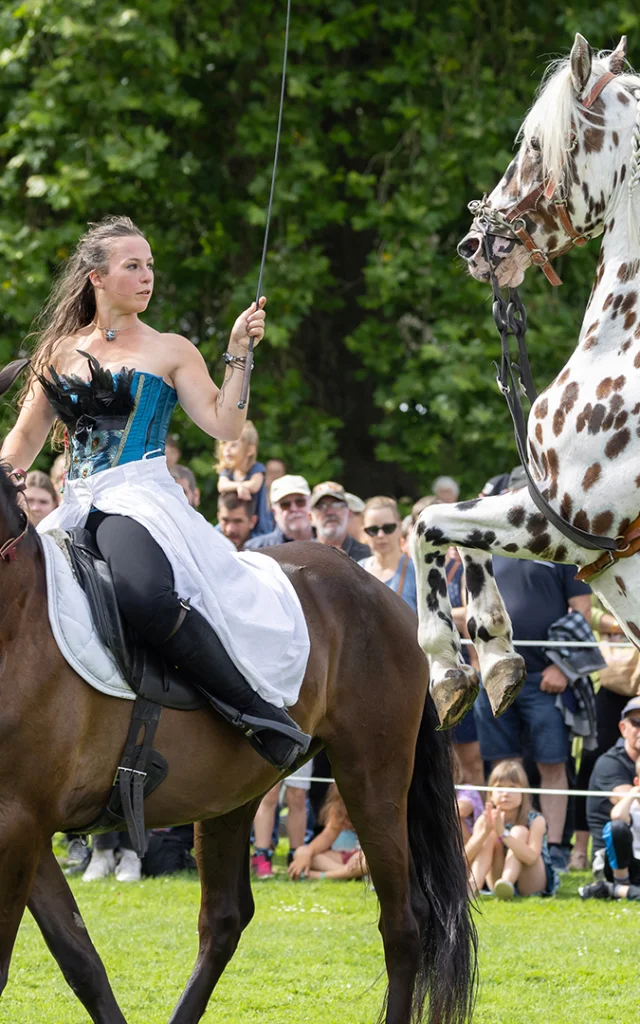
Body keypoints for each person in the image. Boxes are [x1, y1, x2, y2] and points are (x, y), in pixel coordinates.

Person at [1, 215, 311, 772]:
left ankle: (253, 711)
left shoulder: (171, 349)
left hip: (137, 496)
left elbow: (225, 426)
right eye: (133, 266)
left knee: (143, 593)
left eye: (150, 266)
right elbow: (23, 440)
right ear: (96, 277)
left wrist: (239, 352)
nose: (148, 277)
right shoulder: (59, 352)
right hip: (72, 502)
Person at [474, 545, 592, 871]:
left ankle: (551, 851)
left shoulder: (562, 550)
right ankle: (504, 846)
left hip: (545, 679)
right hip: (496, 675)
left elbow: (582, 611)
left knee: (552, 765)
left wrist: (562, 667)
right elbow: (474, 609)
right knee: (502, 767)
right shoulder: (488, 551)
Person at [466, 760, 558, 900]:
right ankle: (473, 885)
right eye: (500, 788)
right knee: (489, 836)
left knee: (519, 831)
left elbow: (531, 858)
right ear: (490, 793)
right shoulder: (485, 819)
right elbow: (464, 858)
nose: (505, 794)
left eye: (512, 788)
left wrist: (503, 833)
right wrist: (484, 834)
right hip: (495, 877)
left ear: (523, 792)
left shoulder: (536, 820)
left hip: (530, 880)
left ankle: (507, 882)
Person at [585, 695, 640, 878]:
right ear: (623, 728)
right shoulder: (609, 764)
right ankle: (620, 888)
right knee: (618, 827)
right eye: (637, 722)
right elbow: (632, 804)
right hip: (612, 861)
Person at [580, 751, 640, 901]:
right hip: (629, 864)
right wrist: (632, 794)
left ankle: (613, 890)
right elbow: (617, 816)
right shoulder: (631, 806)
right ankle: (621, 882)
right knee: (616, 828)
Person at [288, 784, 367, 881]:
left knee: (370, 862)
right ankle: (352, 874)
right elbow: (326, 838)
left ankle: (319, 876)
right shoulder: (341, 806)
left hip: (368, 856)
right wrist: (306, 852)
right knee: (301, 852)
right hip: (352, 859)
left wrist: (361, 854)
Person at [251, 761, 313, 878]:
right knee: (269, 794)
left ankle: (296, 859)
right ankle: (261, 856)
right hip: (271, 744)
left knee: (298, 796)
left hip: (303, 744)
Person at [358, 496, 416, 611]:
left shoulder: (416, 571)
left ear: (399, 527)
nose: (380, 535)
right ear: (364, 532)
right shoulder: (357, 570)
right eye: (373, 530)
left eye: (388, 528)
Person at [216, 420, 271, 535]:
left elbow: (254, 486)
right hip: (230, 521)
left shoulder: (256, 469)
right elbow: (221, 486)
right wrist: (239, 486)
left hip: (256, 524)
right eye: (224, 444)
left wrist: (238, 486)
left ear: (250, 450)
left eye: (233, 445)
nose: (227, 449)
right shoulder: (227, 471)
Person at [244, 475, 314, 550]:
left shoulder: (326, 543)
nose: (294, 508)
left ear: (310, 504)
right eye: (285, 505)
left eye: (300, 502)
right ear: (274, 512)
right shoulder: (256, 549)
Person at [309, 482, 370, 561]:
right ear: (310, 518)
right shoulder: (302, 557)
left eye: (337, 505)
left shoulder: (367, 556)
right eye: (321, 507)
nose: (330, 512)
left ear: (348, 513)